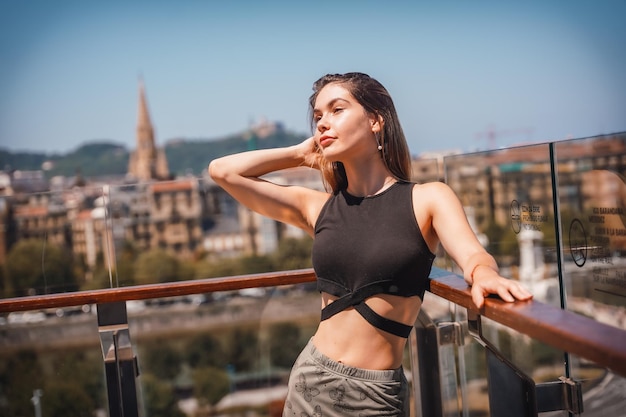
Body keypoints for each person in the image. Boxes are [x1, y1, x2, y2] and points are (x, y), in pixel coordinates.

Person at [208, 72, 532, 416]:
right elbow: (222, 172)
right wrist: (300, 155)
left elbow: (473, 255)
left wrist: (483, 274)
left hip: (373, 394)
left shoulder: (428, 199)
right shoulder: (318, 207)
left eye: (336, 110)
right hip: (309, 379)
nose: (322, 123)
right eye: (318, 116)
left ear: (376, 120)